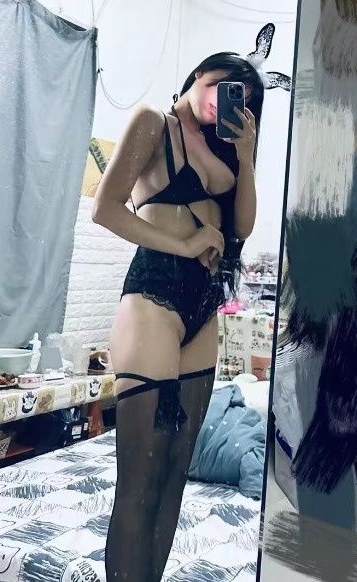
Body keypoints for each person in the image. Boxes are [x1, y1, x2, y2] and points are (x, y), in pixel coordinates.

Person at [93, 52, 264, 582]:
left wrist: (247, 156)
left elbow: (242, 227)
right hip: (154, 297)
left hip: (203, 309)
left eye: (242, 97)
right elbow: (105, 208)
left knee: (172, 480)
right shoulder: (154, 124)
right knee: (139, 482)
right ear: (199, 75)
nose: (226, 100)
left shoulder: (226, 149)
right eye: (224, 85)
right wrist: (185, 244)